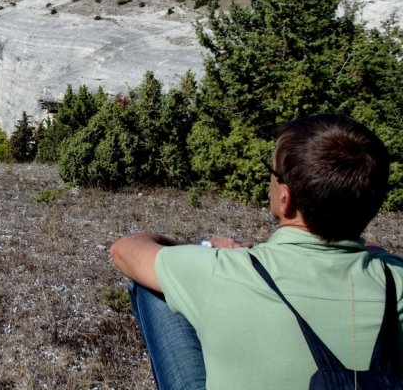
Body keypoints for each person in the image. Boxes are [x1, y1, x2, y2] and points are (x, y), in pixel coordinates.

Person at [110, 113, 403, 390]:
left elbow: (125, 250)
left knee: (152, 286)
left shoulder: (224, 271)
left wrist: (206, 248)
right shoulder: (395, 280)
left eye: (273, 172)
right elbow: (373, 250)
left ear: (286, 199)